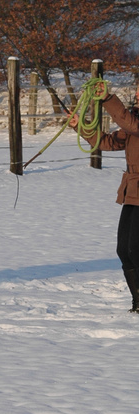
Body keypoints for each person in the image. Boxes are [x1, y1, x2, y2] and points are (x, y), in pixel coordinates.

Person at [72, 75, 139, 313]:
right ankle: (138, 302)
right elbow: (108, 142)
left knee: (136, 249)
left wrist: (108, 99)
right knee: (124, 250)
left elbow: (130, 125)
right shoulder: (134, 117)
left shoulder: (134, 121)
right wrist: (80, 126)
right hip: (132, 190)